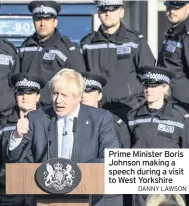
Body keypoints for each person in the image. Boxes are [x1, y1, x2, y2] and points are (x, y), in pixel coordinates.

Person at [7, 68, 122, 206]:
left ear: (78, 97)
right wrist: (16, 135)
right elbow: (14, 159)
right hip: (44, 200)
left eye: (64, 95)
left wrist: (73, 173)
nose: (58, 100)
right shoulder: (36, 118)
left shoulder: (100, 118)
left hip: (88, 198)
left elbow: (109, 158)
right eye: (55, 94)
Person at [81, 0, 155, 122]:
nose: (108, 14)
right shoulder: (87, 44)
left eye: (113, 10)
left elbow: (147, 74)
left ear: (121, 12)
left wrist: (139, 103)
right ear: (98, 13)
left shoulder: (134, 41)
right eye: (104, 10)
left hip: (129, 109)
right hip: (97, 109)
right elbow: (80, 77)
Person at [127, 66, 189, 206]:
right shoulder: (133, 116)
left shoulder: (180, 118)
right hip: (140, 186)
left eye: (154, 86)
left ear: (165, 87)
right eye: (147, 85)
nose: (148, 89)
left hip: (170, 187)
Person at [19, 1, 86, 108]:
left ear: (55, 22)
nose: (42, 23)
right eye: (38, 19)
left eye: (47, 19)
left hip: (54, 109)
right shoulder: (25, 46)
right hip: (29, 108)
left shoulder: (67, 49)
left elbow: (77, 84)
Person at [0, 73, 45, 206]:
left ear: (38, 96)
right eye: (20, 93)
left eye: (30, 93)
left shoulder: (48, 122)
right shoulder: (3, 123)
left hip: (37, 187)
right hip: (9, 188)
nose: (24, 96)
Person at [80, 72, 131, 148]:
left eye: (88, 91)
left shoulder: (112, 123)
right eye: (80, 91)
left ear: (99, 96)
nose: (83, 95)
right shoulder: (68, 119)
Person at [157, 0, 189, 112]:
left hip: (183, 104)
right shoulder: (173, 32)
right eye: (169, 7)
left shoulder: (186, 33)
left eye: (177, 8)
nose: (172, 11)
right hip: (171, 102)